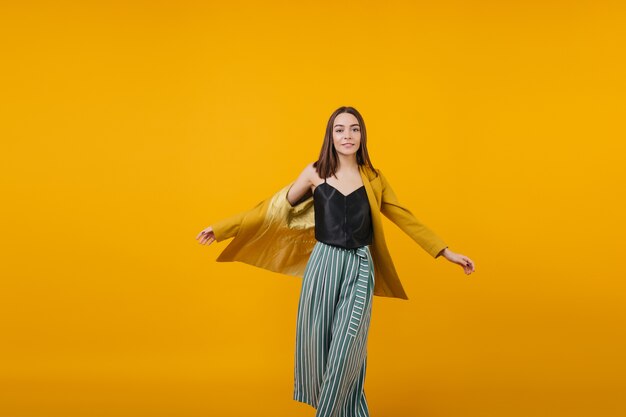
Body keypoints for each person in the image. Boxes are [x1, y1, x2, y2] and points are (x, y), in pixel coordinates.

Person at [196, 106, 475, 417]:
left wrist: (445, 251)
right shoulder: (315, 173)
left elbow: (404, 217)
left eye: (354, 129)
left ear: (362, 135)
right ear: (330, 136)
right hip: (323, 265)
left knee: (347, 349)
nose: (347, 135)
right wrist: (222, 229)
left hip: (359, 266)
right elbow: (271, 209)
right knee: (318, 351)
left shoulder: (374, 178)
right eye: (340, 129)